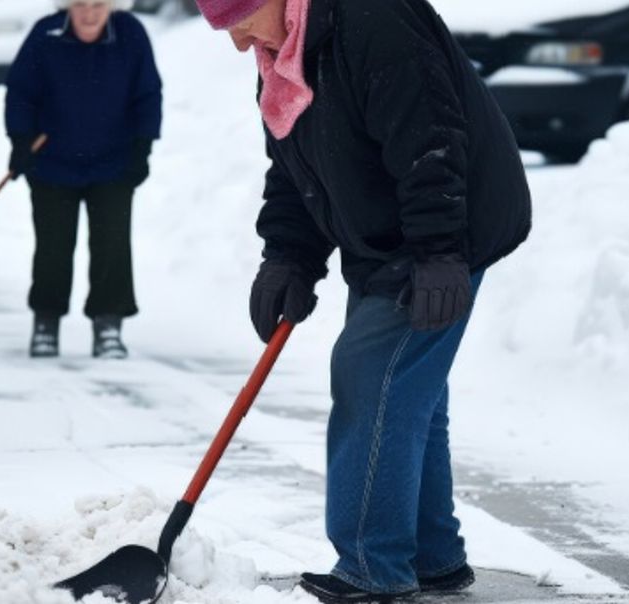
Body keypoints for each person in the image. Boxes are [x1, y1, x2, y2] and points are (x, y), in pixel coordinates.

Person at [195, 0, 532, 601]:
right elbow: (298, 166)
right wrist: (289, 258)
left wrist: (437, 253)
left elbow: (430, 138)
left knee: (370, 376)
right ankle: (432, 557)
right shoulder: (286, 54)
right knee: (407, 394)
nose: (241, 45)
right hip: (388, 239)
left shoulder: (374, 20)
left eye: (240, 23)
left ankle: (373, 565)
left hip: (446, 228)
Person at [5, 0, 162, 359]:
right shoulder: (45, 35)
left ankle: (108, 324)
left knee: (112, 246)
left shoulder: (130, 34)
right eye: (81, 5)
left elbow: (148, 94)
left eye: (98, 4)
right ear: (67, 7)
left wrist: (142, 148)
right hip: (52, 164)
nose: (90, 13)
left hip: (114, 164)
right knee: (53, 248)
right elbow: (21, 92)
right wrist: (20, 141)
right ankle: (46, 321)